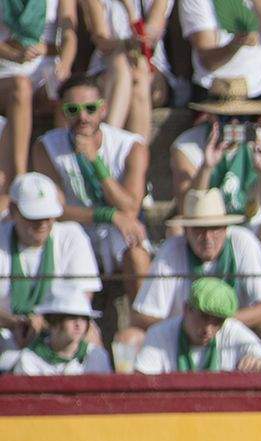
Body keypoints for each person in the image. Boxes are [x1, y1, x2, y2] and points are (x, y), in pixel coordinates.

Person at [179, 0, 261, 213]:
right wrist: (235, 45)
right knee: (213, 140)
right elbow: (207, 57)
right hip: (218, 87)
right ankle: (215, 212)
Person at [125, 186, 261, 355]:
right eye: (199, 229)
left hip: (233, 334)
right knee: (128, 338)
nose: (207, 237)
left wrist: (218, 322)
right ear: (186, 231)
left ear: (226, 228)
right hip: (182, 337)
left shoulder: (244, 242)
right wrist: (189, 325)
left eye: (215, 228)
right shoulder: (171, 250)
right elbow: (140, 317)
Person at [33, 76, 150, 298]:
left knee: (136, 251)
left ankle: (143, 325)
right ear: (63, 111)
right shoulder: (46, 147)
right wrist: (108, 215)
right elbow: (55, 210)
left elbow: (131, 208)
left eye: (90, 108)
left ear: (103, 109)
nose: (82, 117)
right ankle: (75, 323)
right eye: (73, 109)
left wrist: (96, 162)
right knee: (64, 241)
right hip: (75, 226)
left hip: (119, 229)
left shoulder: (130, 146)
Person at [167, 77, 261, 275]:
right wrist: (206, 166)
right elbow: (186, 208)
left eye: (243, 118)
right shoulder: (186, 147)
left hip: (250, 225)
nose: (235, 125)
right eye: (227, 118)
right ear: (211, 117)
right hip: (208, 228)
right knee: (175, 231)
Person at [0, 173, 101, 356]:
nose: (43, 224)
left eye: (48, 216)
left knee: (89, 336)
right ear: (14, 211)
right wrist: (15, 322)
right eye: (34, 217)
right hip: (6, 329)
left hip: (59, 325)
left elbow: (81, 299)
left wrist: (45, 321)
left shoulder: (72, 236)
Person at [0, 0, 75, 183]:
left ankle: (65, 175)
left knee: (65, 95)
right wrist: (14, 54)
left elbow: (69, 35)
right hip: (8, 68)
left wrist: (64, 63)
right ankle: (20, 176)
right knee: (21, 87)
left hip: (46, 66)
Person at [134, 275, 261, 372]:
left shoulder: (231, 329)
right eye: (204, 317)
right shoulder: (159, 334)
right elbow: (141, 379)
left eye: (218, 321)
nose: (208, 329)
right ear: (186, 309)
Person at [80, 0, 172, 138]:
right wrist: (125, 43)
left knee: (136, 75)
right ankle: (135, 152)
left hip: (150, 67)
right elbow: (102, 41)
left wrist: (130, 10)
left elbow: (146, 40)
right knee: (124, 64)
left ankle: (108, 140)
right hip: (108, 69)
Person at [4, 282, 109, 373]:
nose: (78, 324)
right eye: (71, 318)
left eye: (83, 319)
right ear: (54, 322)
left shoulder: (96, 356)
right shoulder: (29, 360)